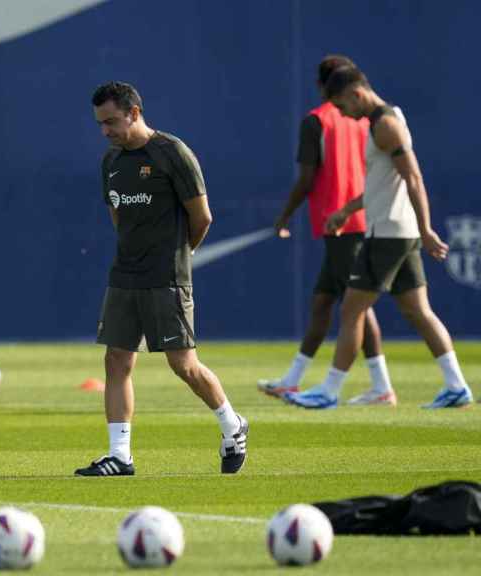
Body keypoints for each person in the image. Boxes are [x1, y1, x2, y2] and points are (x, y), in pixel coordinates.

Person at [77, 81, 247, 476]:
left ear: (134, 112)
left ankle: (232, 425)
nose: (106, 131)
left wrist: (178, 257)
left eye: (112, 122)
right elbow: (118, 216)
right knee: (116, 360)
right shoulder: (112, 162)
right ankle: (120, 456)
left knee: (184, 365)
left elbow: (202, 218)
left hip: (167, 276)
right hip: (125, 275)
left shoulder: (173, 154)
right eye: (101, 124)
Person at [286, 66, 473, 409]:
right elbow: (383, 182)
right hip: (398, 231)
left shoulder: (385, 125)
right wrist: (346, 210)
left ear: (357, 94)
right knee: (418, 310)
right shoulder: (385, 121)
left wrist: (427, 228)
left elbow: (413, 177)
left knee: (351, 311)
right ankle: (457, 385)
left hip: (388, 233)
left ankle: (329, 390)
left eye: (342, 106)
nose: (342, 113)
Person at [258, 55, 395, 405]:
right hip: (363, 217)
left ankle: (381, 386)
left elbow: (306, 178)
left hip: (339, 222)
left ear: (322, 86)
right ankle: (292, 379)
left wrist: (285, 215)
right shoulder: (364, 119)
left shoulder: (317, 121)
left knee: (357, 306)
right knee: (323, 302)